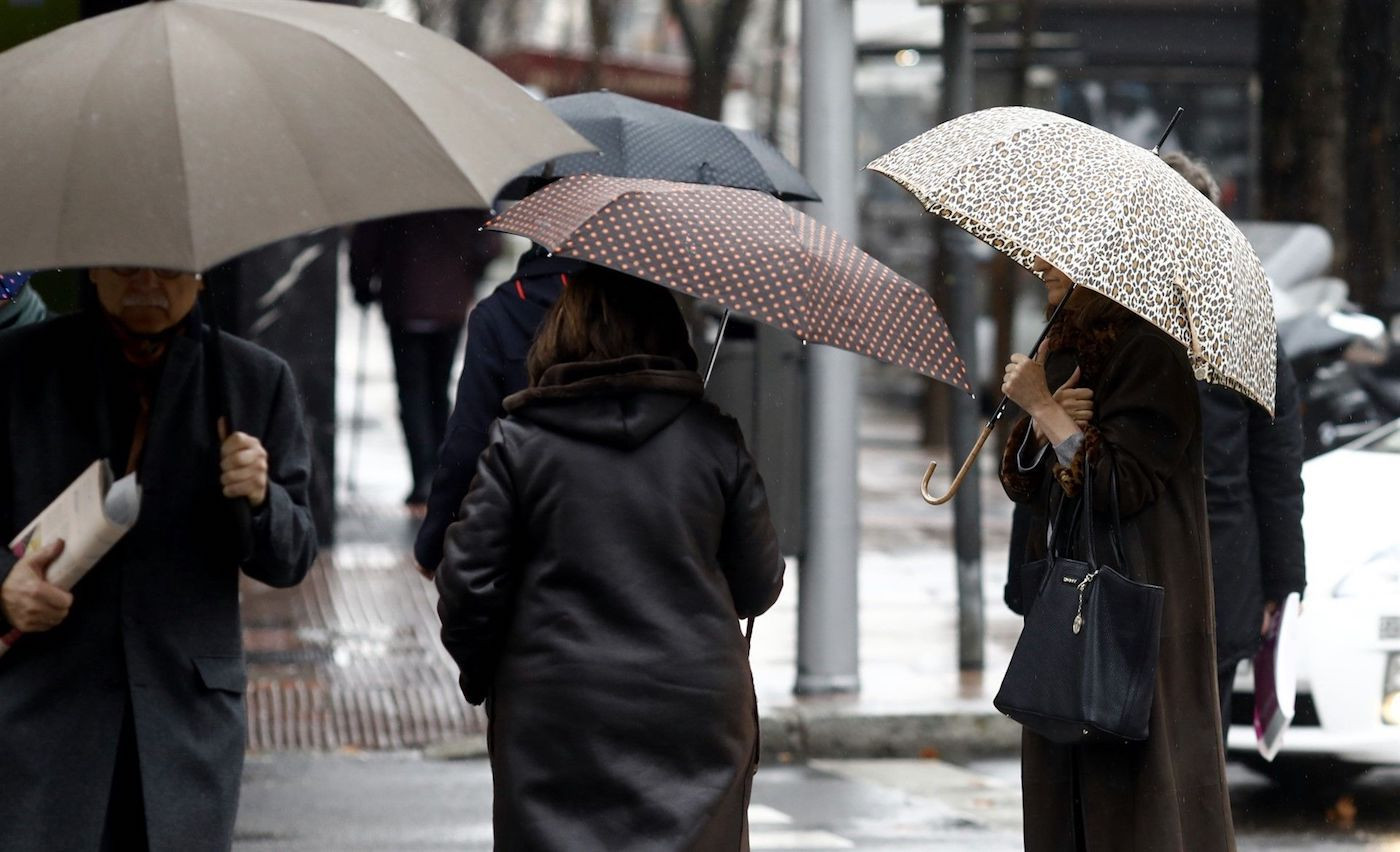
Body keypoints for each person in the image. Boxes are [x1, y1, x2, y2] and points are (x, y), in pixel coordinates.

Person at [435, 269, 785, 849]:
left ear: (559, 335)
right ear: (670, 334)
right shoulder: (712, 439)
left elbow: (469, 585)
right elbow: (758, 585)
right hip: (695, 711)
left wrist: (490, 676)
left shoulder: (520, 444)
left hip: (554, 713)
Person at [0, 266, 318, 851]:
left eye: (168, 268)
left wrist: (259, 496)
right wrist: (5, 585)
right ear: (95, 271)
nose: (147, 282)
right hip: (45, 714)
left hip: (184, 723)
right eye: (126, 266)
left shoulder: (253, 379)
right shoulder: (20, 368)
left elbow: (291, 556)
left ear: (199, 277)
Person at [1000, 258, 1235, 851]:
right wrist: (1039, 423)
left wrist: (1049, 412)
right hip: (1069, 601)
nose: (1039, 264)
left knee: (1134, 796)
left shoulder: (1151, 352)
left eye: (1057, 257)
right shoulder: (1062, 347)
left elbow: (1121, 485)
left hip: (1132, 604)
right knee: (1066, 788)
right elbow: (1031, 486)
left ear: (1100, 265)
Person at [1162, 151, 1307, 742]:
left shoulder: (1104, 319)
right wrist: (1282, 584)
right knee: (1199, 761)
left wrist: (1283, 584)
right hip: (1217, 578)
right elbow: (1276, 469)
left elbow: (1276, 466)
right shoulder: (1243, 320)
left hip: (1161, 578)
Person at [413, 245, 585, 574]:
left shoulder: (503, 311)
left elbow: (468, 438)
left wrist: (434, 541)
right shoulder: (638, 305)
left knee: (416, 388)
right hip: (635, 551)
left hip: (530, 537)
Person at [350, 210, 501, 511]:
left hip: (406, 301)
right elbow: (489, 245)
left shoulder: (396, 190)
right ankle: (441, 473)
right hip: (450, 303)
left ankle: (422, 477)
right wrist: (465, 271)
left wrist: (362, 285)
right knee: (439, 389)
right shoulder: (465, 194)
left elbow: (366, 242)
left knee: (412, 392)